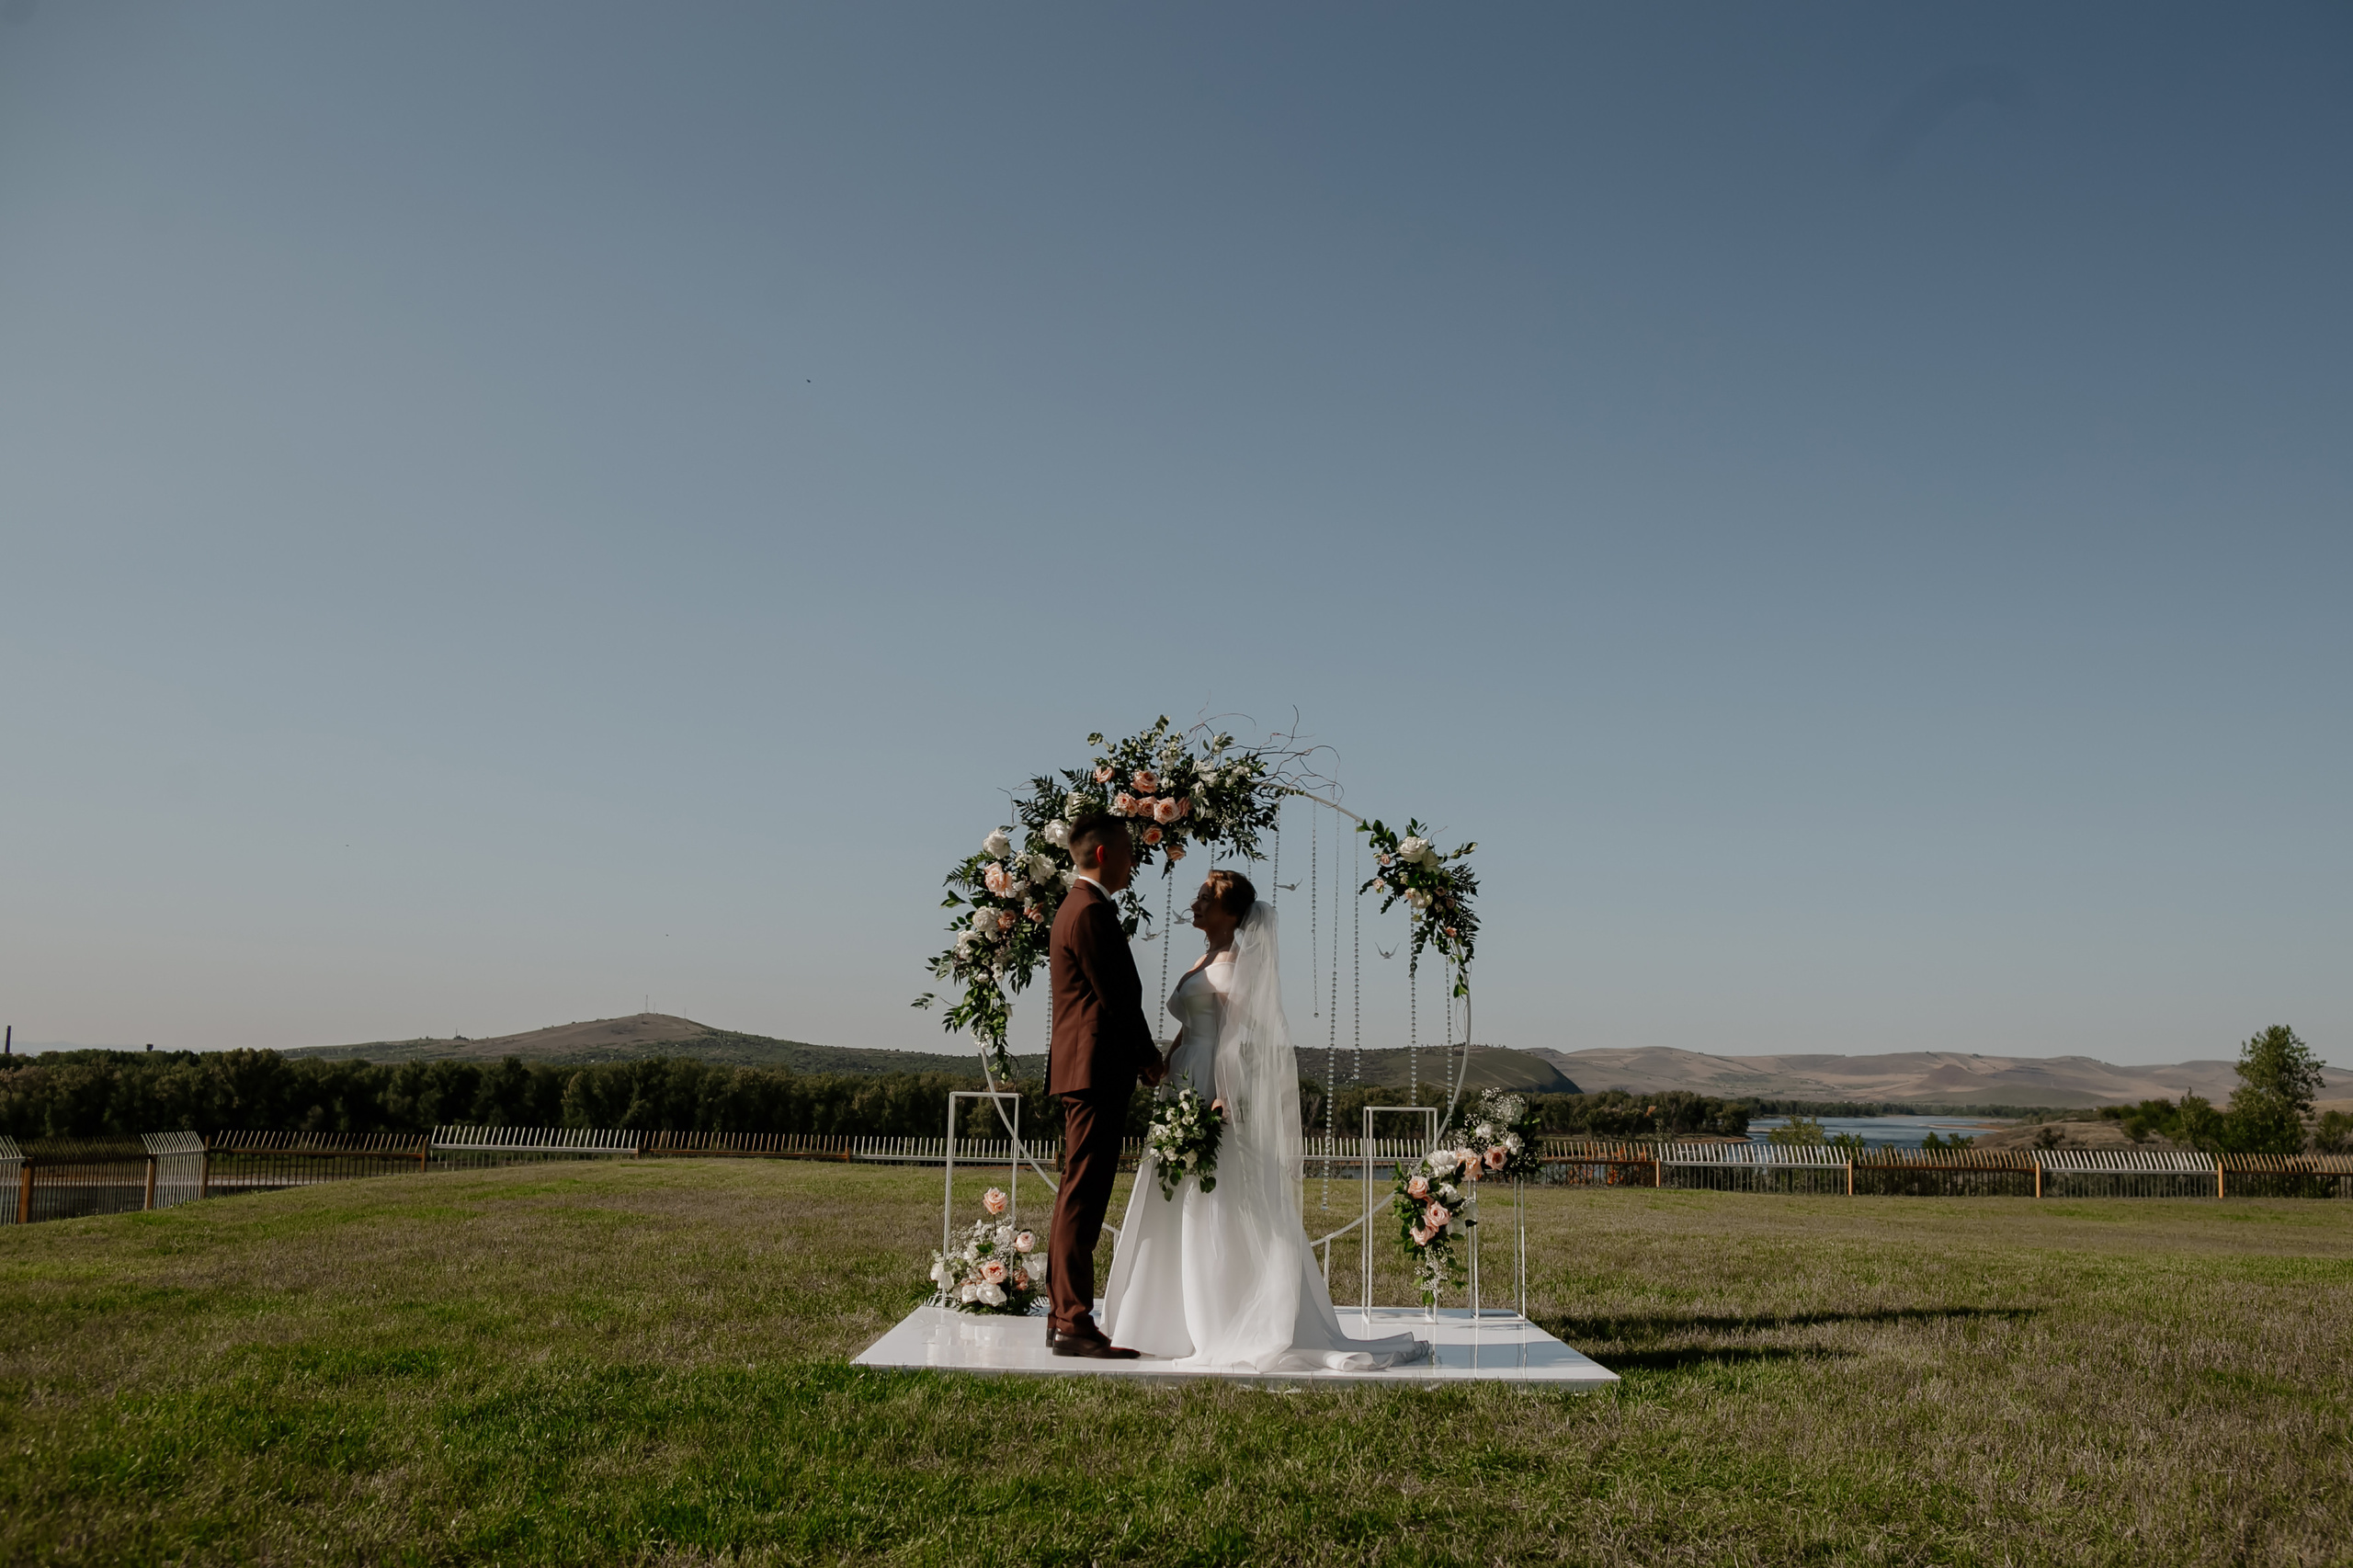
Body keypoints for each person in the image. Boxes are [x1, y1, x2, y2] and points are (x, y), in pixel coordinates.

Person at [1102, 869, 1429, 1372]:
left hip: (1213, 1085)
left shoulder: (1236, 967)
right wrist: (1164, 1065)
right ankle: (1164, 1317)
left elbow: (1237, 1038)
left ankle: (1220, 1315)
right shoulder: (1206, 959)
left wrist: (1224, 1098)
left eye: (1204, 899)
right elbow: (1191, 1026)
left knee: (1216, 1192)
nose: (1195, 904)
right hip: (1185, 1078)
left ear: (1230, 916)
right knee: (1176, 1189)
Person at [1044, 812, 1165, 1358]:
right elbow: (1117, 997)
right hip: (1095, 1070)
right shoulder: (1089, 912)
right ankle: (1073, 1322)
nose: (1134, 862)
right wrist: (1149, 1059)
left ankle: (1061, 1314)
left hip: (1086, 1068)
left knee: (1079, 1192)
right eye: (1129, 853)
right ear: (1102, 855)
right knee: (1084, 1197)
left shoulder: (1079, 907)